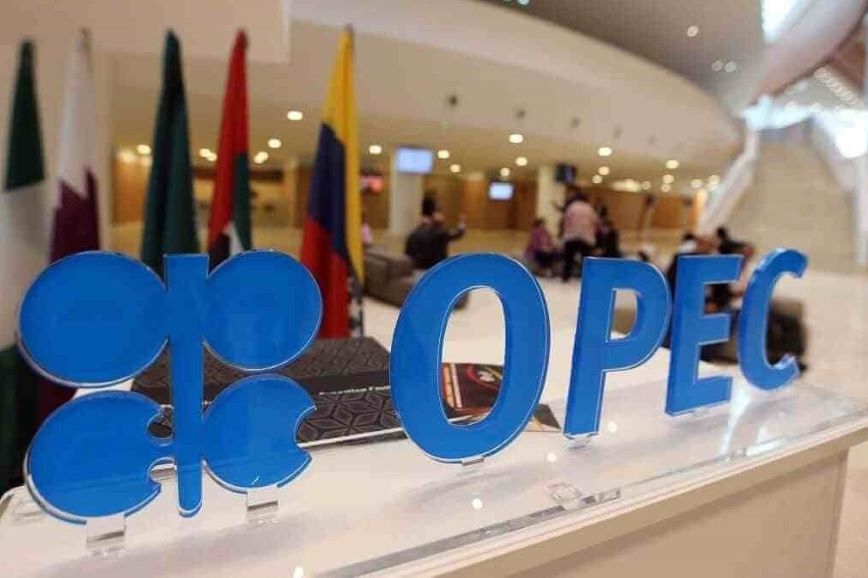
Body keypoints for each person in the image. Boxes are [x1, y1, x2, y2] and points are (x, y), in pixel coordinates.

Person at [560, 193, 599, 281]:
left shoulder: (571, 207)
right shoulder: (589, 208)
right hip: (586, 236)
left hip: (571, 235)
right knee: (585, 259)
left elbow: (565, 220)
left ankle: (565, 276)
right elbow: (595, 222)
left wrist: (564, 232)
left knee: (569, 258)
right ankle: (586, 277)